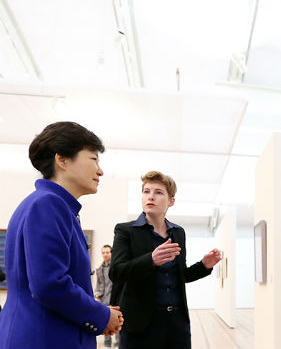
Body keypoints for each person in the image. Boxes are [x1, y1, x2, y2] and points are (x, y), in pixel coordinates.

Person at [0, 121, 123, 349]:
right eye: (93, 159)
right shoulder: (48, 204)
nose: (100, 170)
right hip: (45, 337)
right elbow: (49, 285)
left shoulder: (50, 205)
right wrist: (101, 316)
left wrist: (100, 313)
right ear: (62, 159)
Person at [110, 170, 222, 349]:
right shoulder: (126, 231)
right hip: (141, 324)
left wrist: (204, 266)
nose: (150, 197)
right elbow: (116, 273)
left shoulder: (178, 232)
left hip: (176, 324)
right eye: (146, 191)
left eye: (158, 192)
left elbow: (180, 275)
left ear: (171, 201)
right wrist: (151, 260)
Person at [95, 245, 118, 347]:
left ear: (111, 253)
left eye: (107, 252)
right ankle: (107, 345)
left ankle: (118, 344)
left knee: (118, 321)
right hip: (104, 299)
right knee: (106, 321)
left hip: (115, 298)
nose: (105, 254)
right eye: (103, 253)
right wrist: (97, 296)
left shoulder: (116, 267)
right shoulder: (99, 268)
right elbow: (99, 283)